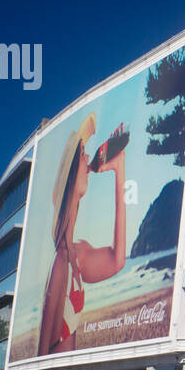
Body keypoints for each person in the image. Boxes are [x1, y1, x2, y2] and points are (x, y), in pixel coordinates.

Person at [37, 113, 129, 356]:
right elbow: (41, 356)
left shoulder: (78, 254)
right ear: (69, 180)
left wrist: (119, 171)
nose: (88, 158)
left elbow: (118, 260)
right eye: (82, 155)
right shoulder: (61, 263)